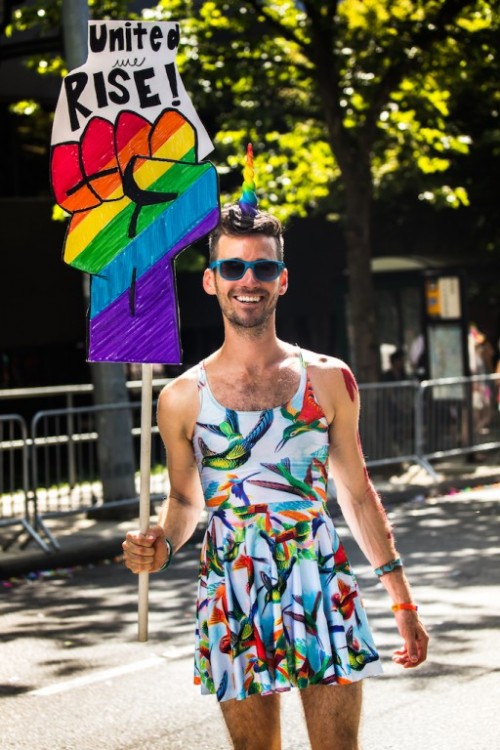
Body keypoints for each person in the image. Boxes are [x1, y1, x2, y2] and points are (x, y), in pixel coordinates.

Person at [123, 202, 429, 750]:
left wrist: (402, 601)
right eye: (234, 268)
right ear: (211, 281)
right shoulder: (180, 398)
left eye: (263, 268)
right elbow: (187, 502)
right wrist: (161, 545)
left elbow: (357, 495)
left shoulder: (330, 379)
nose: (249, 281)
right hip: (232, 585)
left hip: (319, 578)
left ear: (282, 280)